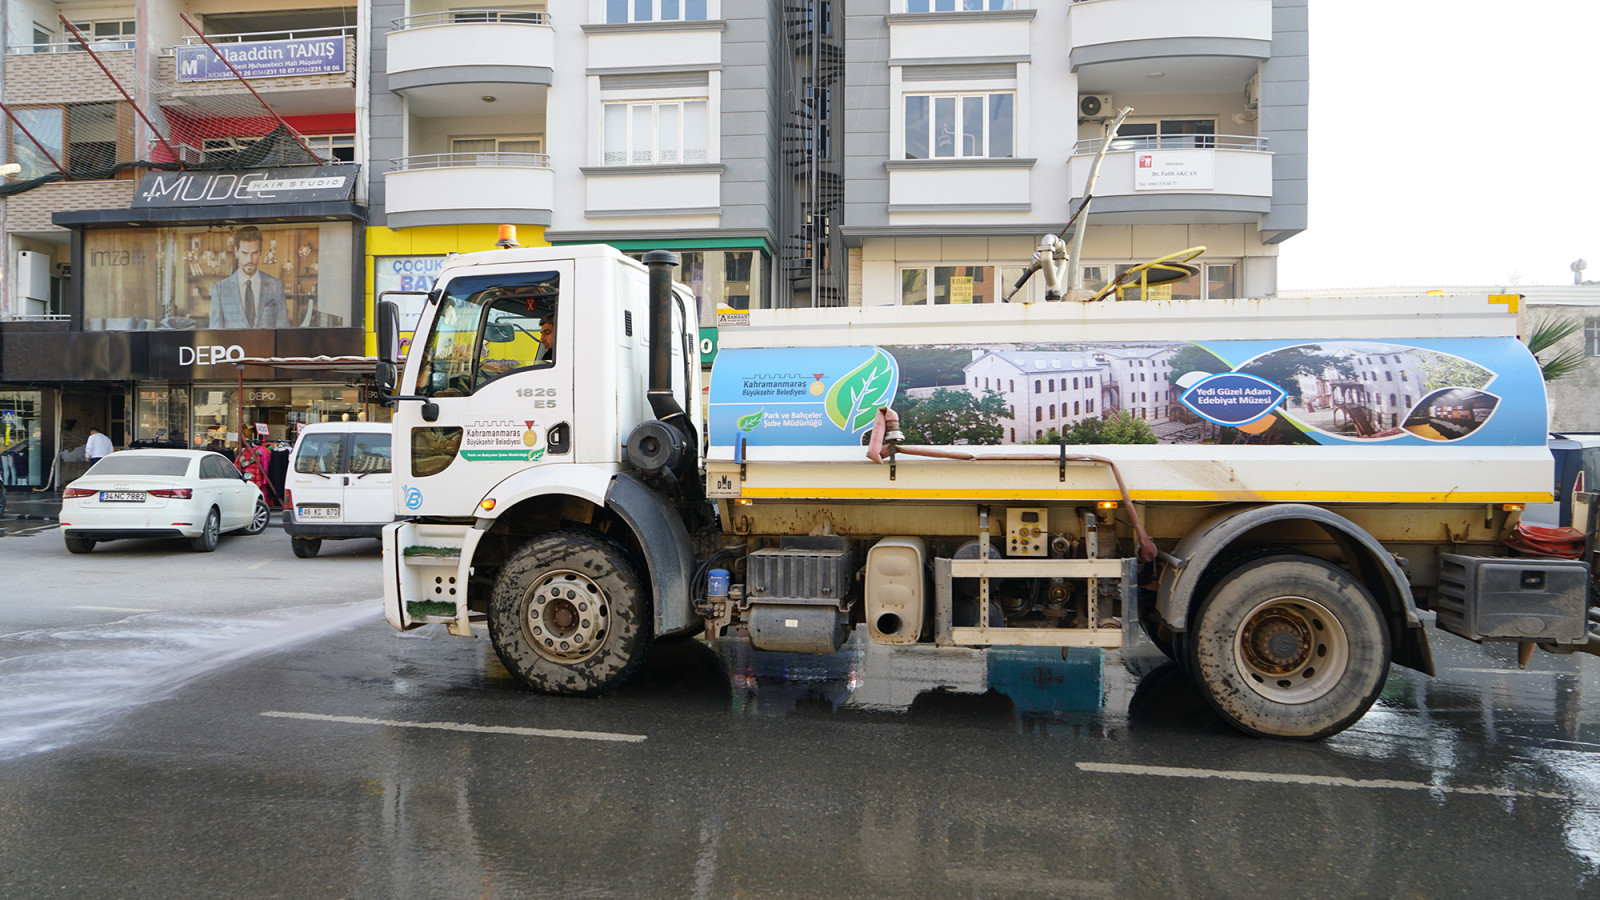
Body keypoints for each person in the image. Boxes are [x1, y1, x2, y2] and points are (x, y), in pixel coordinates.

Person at [209, 225, 289, 329]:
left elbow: (283, 329)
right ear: (236, 252)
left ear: (260, 252)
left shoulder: (275, 286)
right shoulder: (221, 289)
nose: (249, 259)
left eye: (254, 253)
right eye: (244, 253)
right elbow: (215, 334)